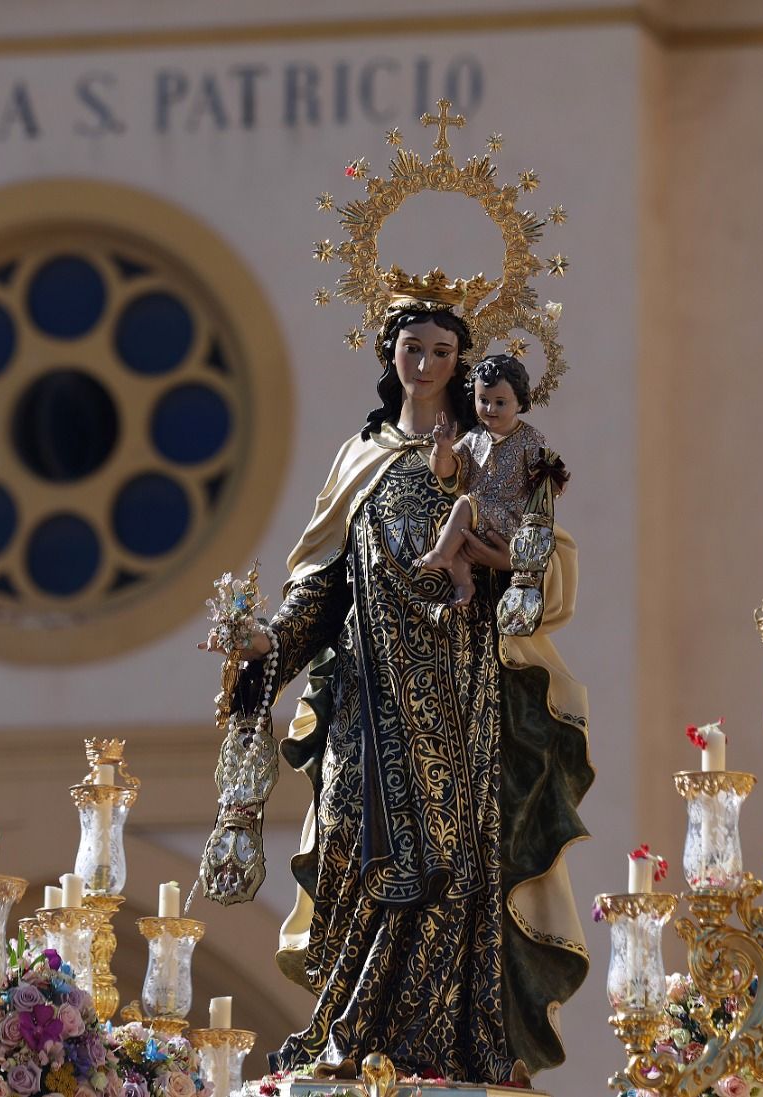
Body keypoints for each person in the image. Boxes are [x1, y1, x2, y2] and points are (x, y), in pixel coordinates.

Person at [202, 290, 594, 1085]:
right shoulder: (362, 458)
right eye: (410, 347)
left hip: (458, 694)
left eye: (441, 351)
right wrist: (266, 642)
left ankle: (432, 1047)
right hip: (366, 696)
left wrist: (505, 556)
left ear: (462, 362)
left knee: (449, 857)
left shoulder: (489, 452)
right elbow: (321, 590)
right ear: (391, 356)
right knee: (351, 840)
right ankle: (350, 1029)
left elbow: (531, 554)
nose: (423, 363)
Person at [418, 354, 567, 607]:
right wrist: (442, 449)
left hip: (510, 519)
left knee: (464, 507)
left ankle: (441, 555)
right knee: (451, 533)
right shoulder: (475, 437)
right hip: (479, 518)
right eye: (483, 401)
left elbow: (547, 481)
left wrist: (549, 480)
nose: (490, 409)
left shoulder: (530, 440)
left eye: (500, 402)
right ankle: (464, 585)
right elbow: (448, 471)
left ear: (520, 403)